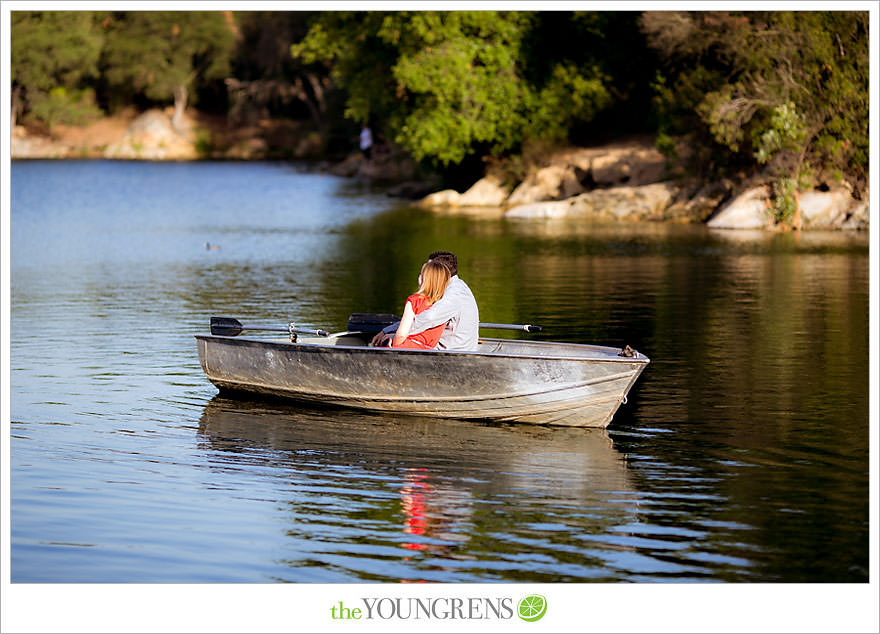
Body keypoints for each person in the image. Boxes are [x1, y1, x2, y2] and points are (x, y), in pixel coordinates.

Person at [372, 251, 480, 351]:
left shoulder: (453, 294)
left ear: (438, 272)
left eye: (429, 270)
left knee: (388, 343)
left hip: (453, 350)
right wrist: (387, 330)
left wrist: (397, 335)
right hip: (444, 344)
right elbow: (418, 318)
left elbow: (428, 318)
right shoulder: (454, 286)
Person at [390, 260, 451, 349]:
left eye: (421, 274)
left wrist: (393, 344)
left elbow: (401, 335)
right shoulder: (443, 305)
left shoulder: (414, 301)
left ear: (425, 279)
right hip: (429, 350)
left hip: (406, 349)